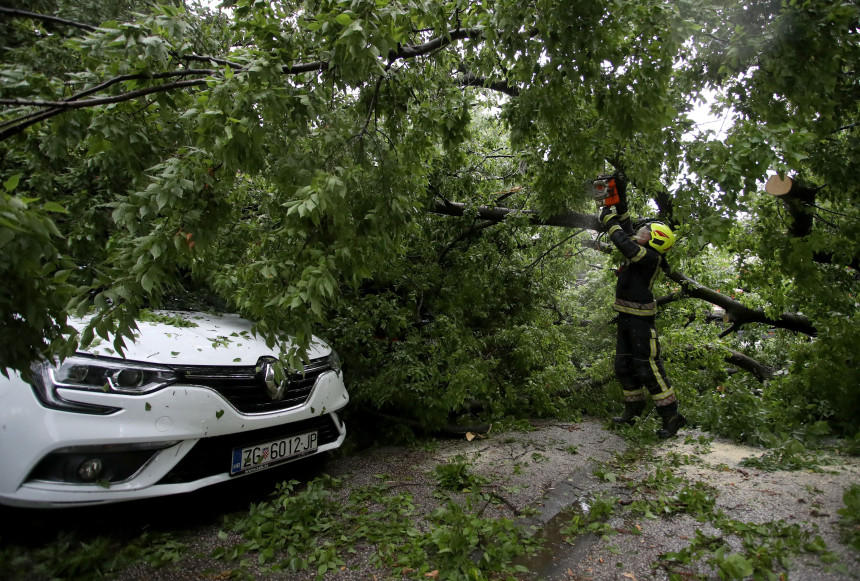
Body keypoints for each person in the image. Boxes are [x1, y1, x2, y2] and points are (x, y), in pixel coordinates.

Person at [599, 176, 687, 438]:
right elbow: (627, 228)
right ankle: (633, 411)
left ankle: (671, 416)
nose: (639, 232)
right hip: (626, 316)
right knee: (623, 365)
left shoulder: (649, 257)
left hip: (640, 321)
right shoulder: (643, 248)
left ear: (654, 240)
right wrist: (619, 198)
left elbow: (623, 242)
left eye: (644, 232)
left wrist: (608, 222)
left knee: (648, 367)